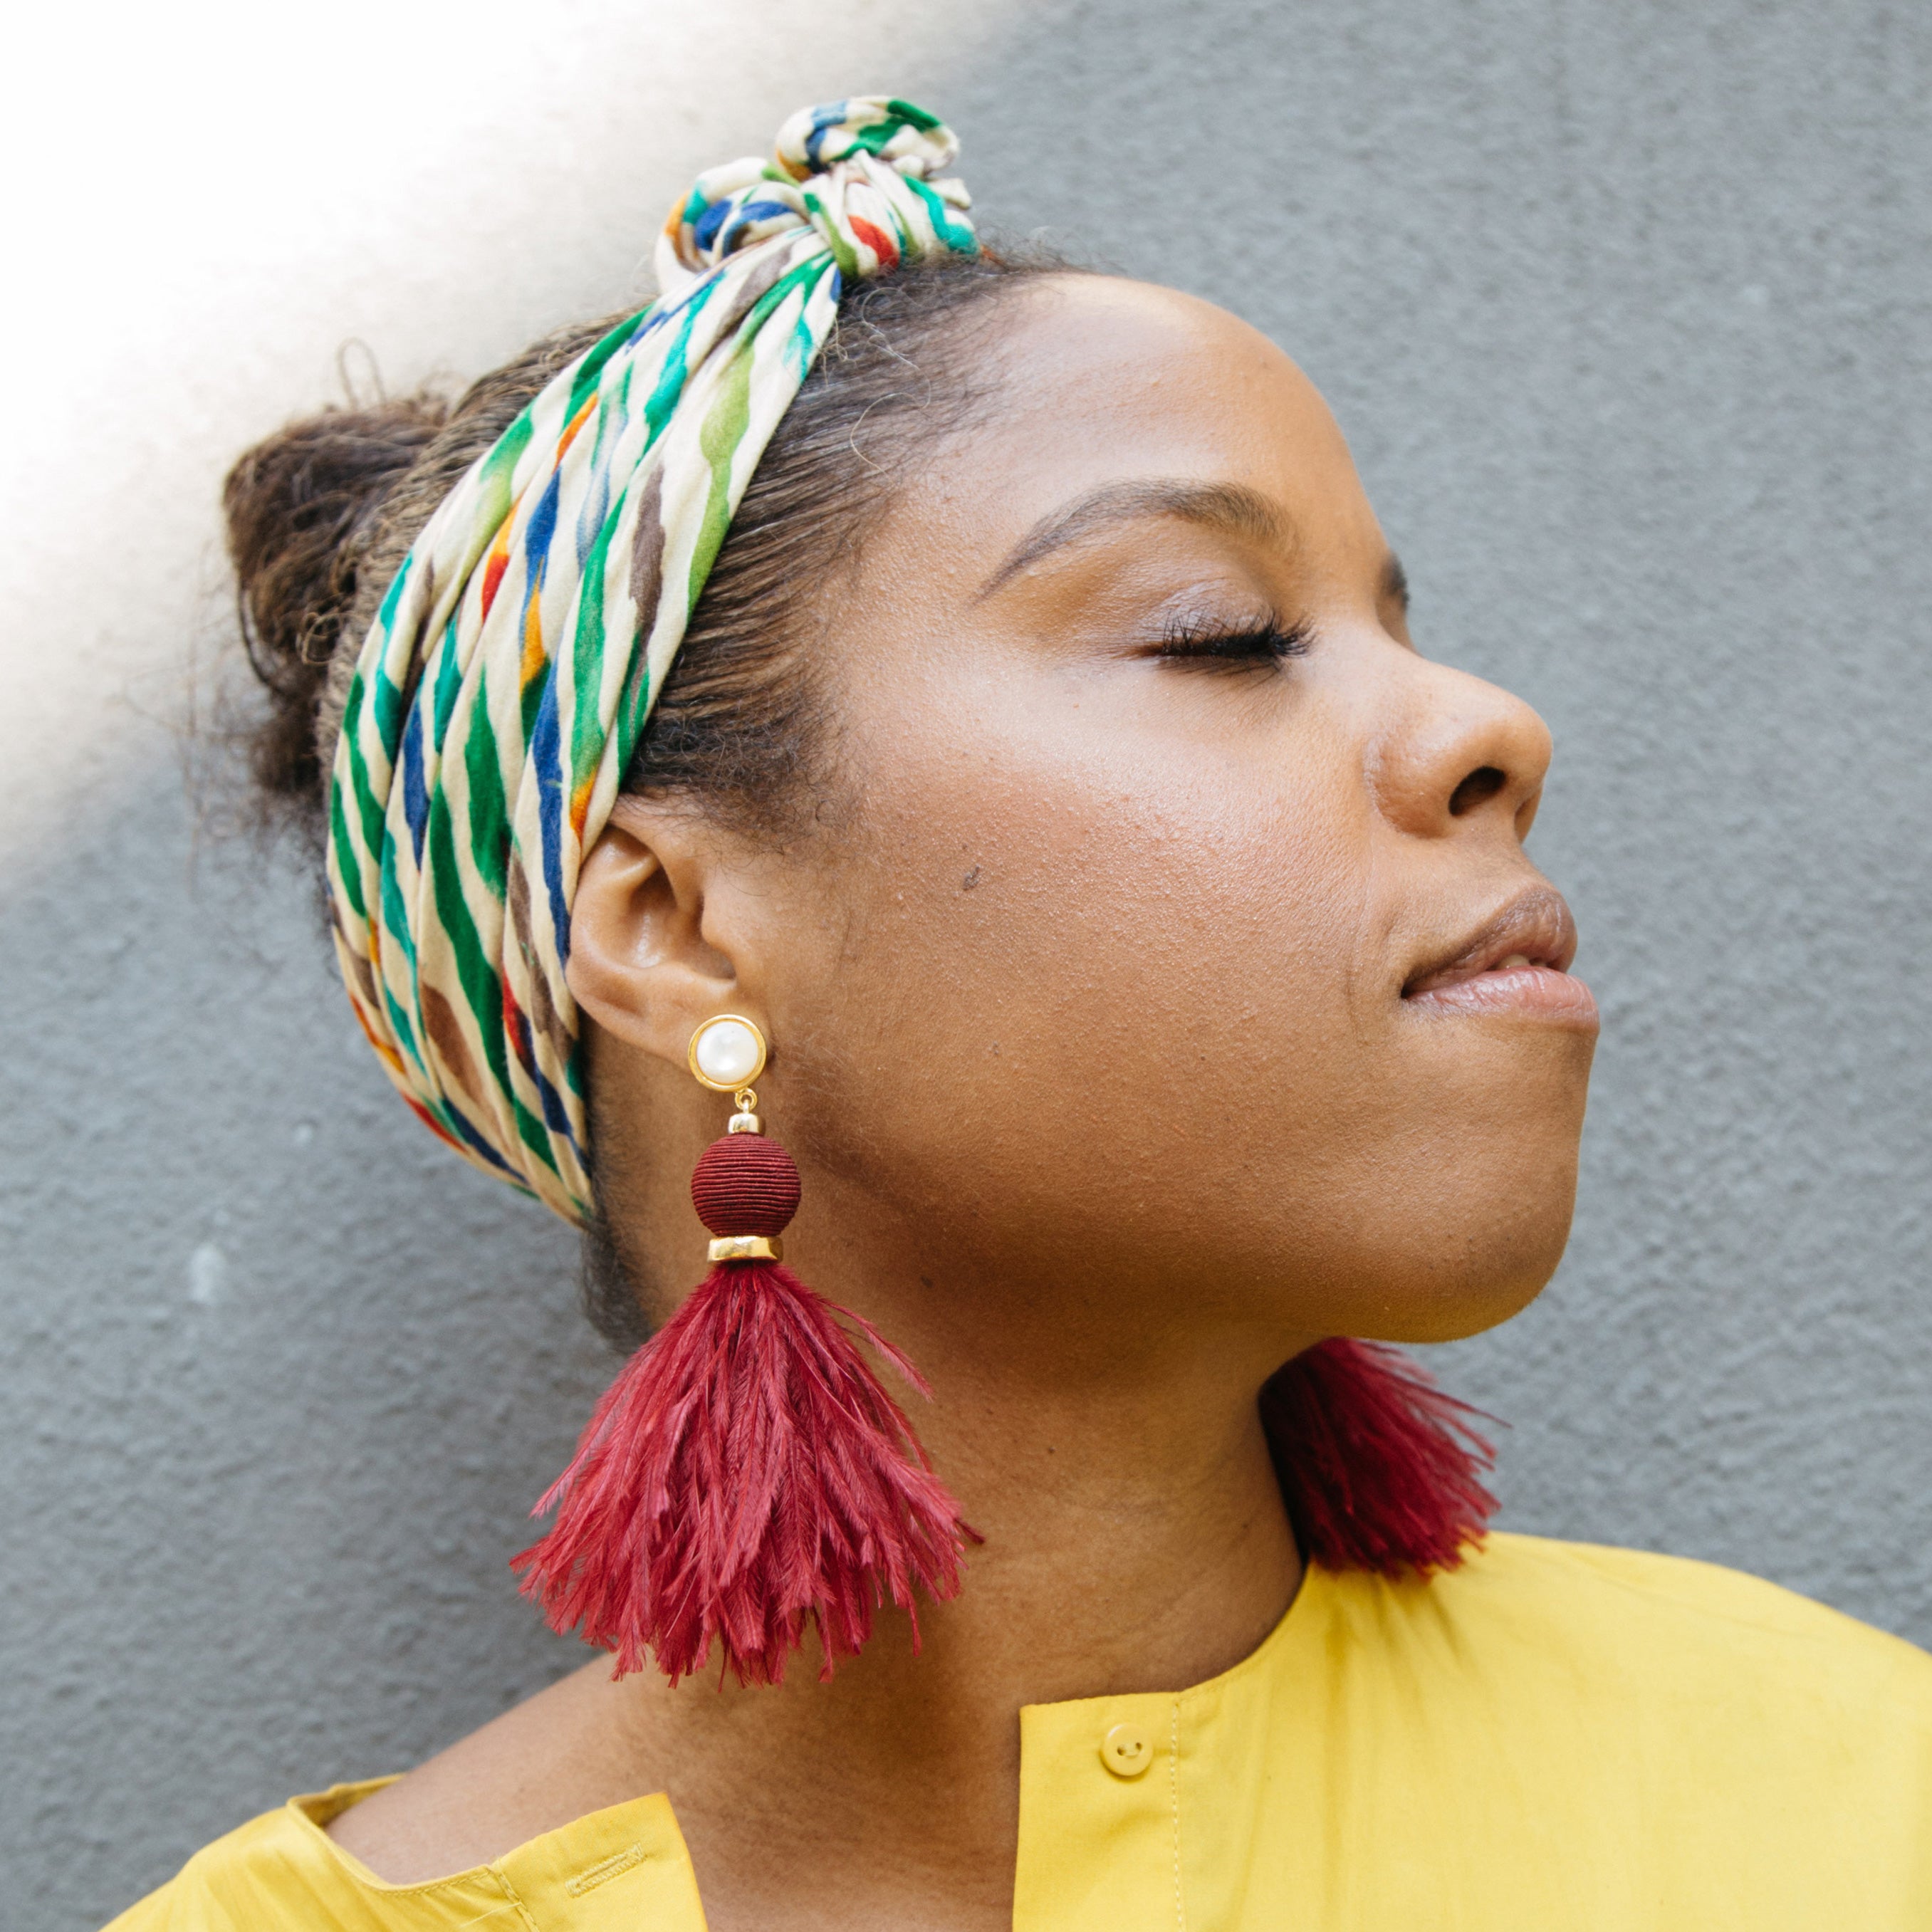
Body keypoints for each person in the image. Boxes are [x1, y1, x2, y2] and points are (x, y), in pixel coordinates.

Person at [110, 98, 1932, 1931]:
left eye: (1397, 621)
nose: (1487, 724)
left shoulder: (1845, 1803)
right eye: (1218, 631)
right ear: (672, 926)